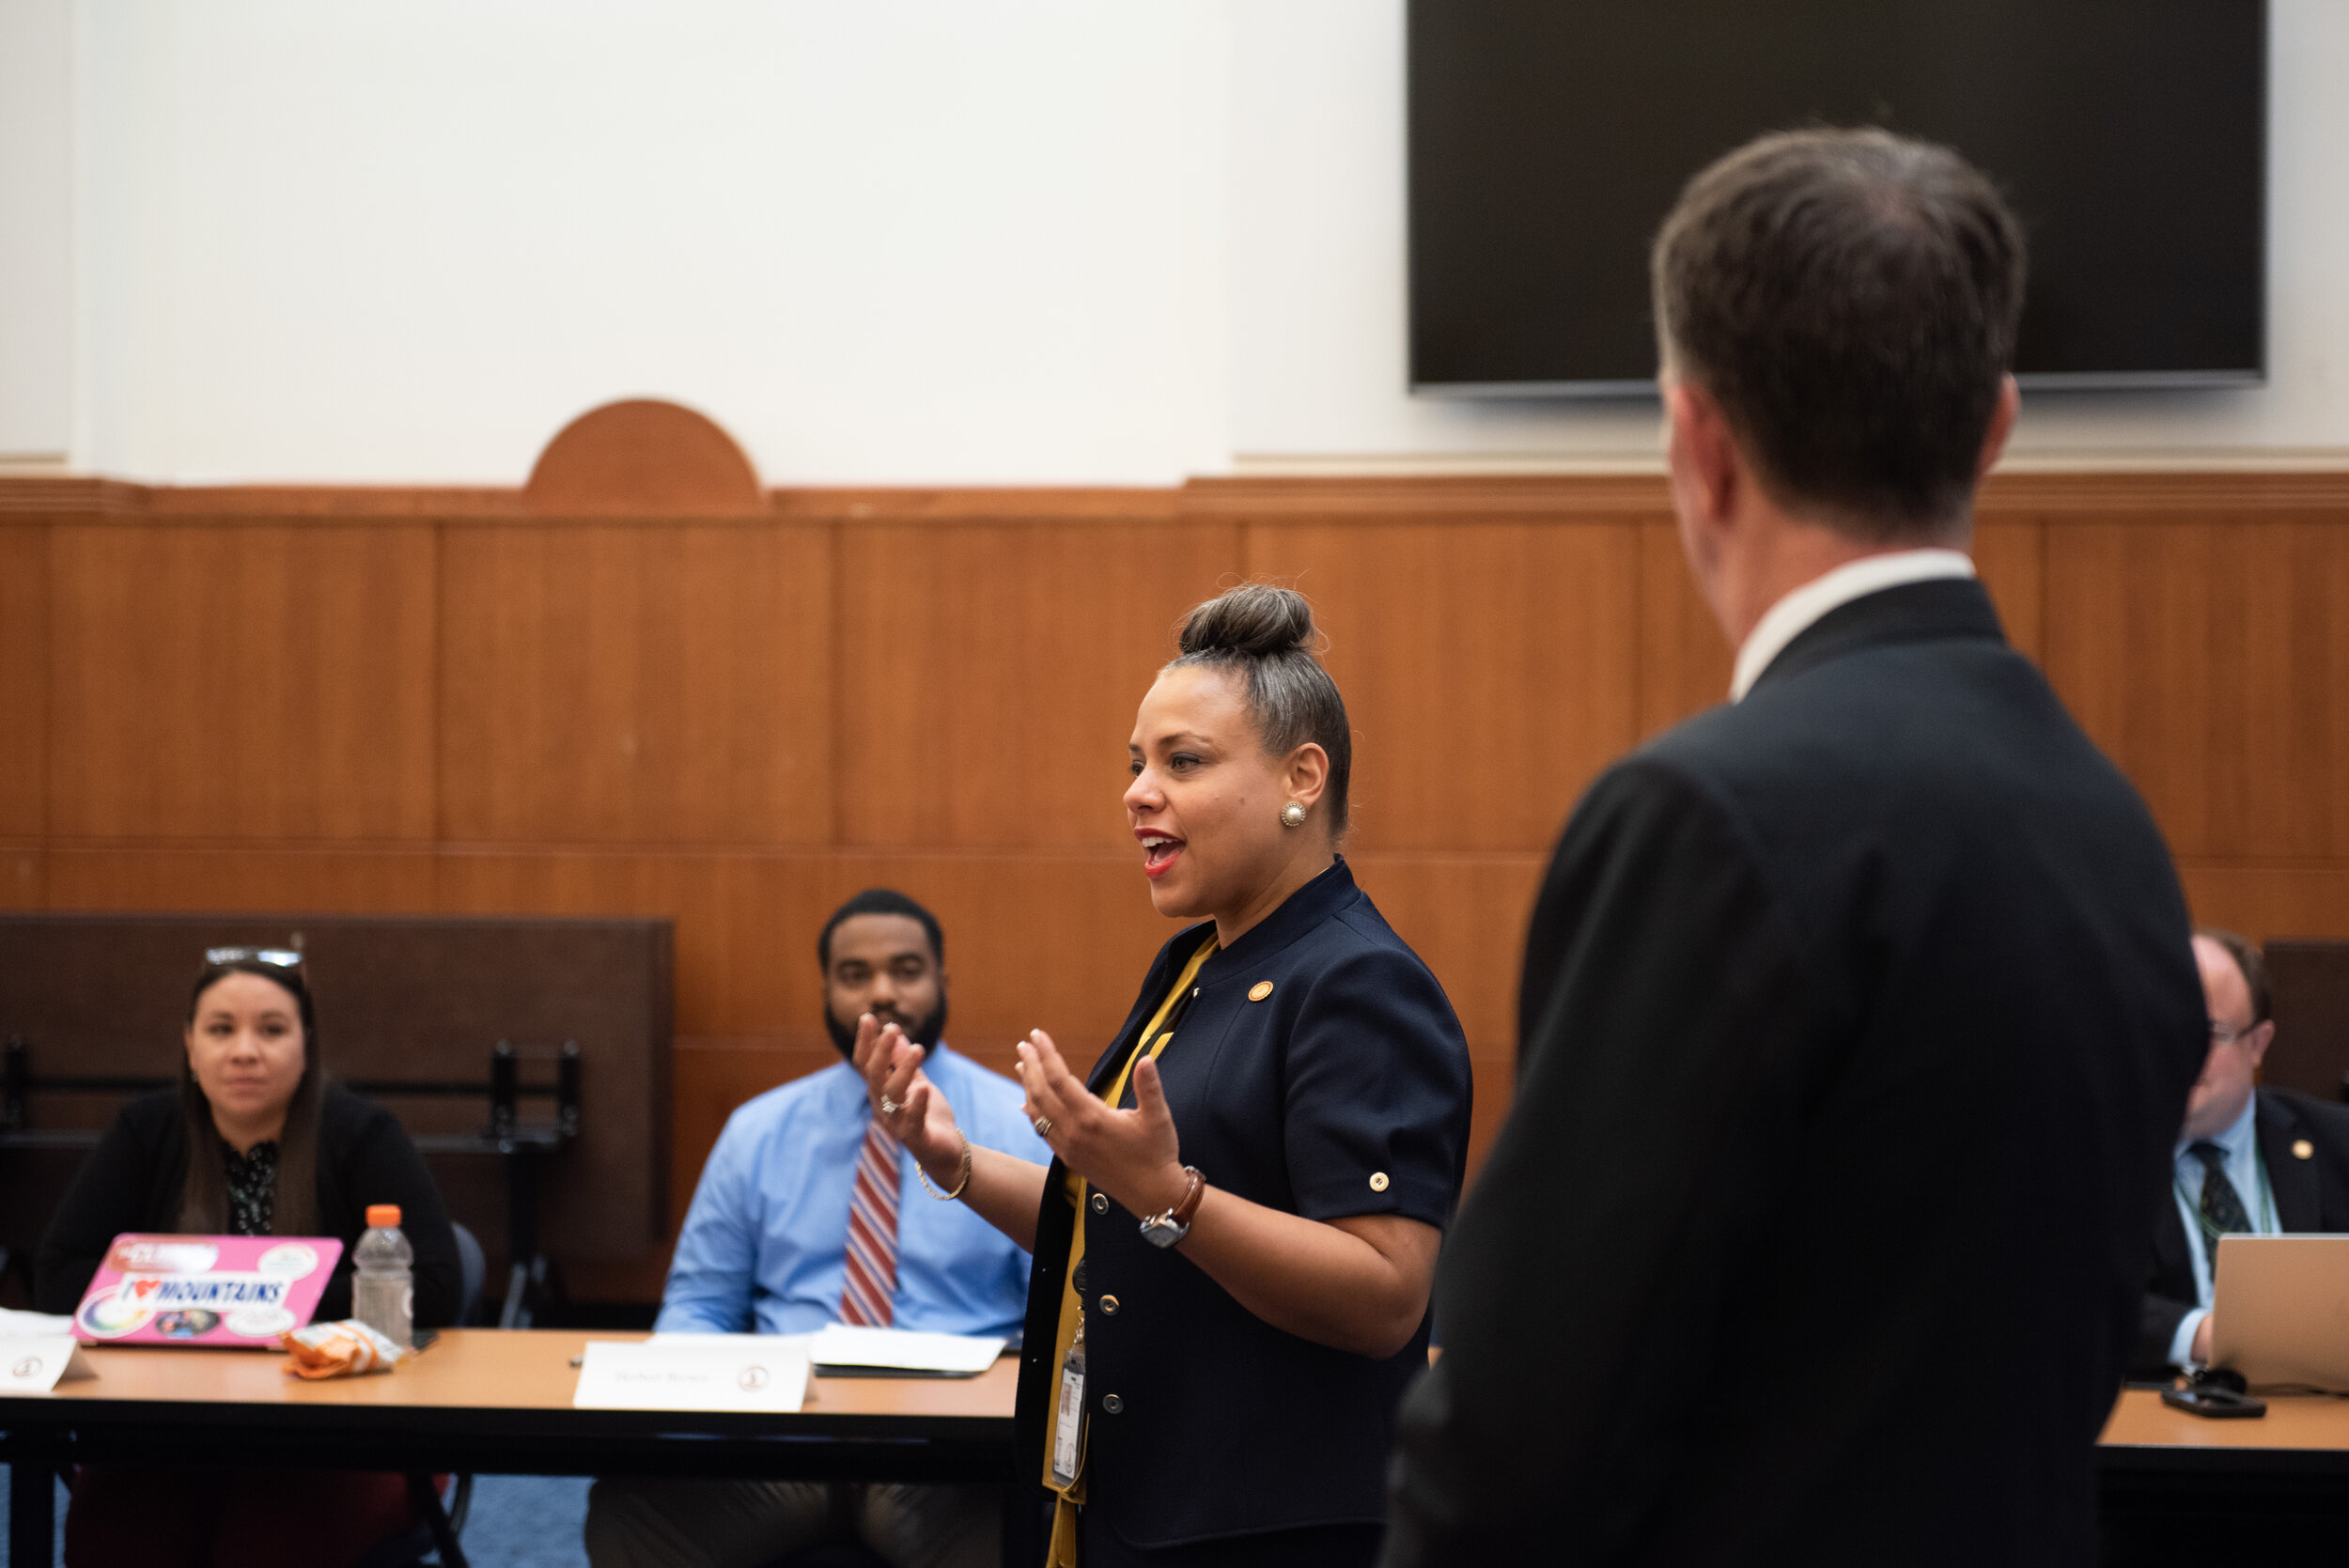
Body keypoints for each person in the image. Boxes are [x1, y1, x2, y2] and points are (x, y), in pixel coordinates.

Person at [1381, 129, 2206, 1566]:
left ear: (1697, 443)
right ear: (1997, 425)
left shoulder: (1706, 820)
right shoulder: (2112, 824)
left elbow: (1517, 1447)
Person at [855, 583, 1473, 1568]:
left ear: (1301, 777)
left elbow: (1386, 1294)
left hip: (1272, 1529)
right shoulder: (1197, 962)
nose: (1139, 790)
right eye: (1136, 763)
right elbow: (1114, 1217)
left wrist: (1171, 1196)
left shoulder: (1359, 982)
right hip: (1141, 1497)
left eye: (1183, 762)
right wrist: (953, 1159)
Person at [586, 888, 1049, 1568]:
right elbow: (701, 1305)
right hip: (784, 1444)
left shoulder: (1018, 1126)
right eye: (856, 975)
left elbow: (1054, 1309)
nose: (884, 990)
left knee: (1005, 1529)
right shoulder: (758, 1130)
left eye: (906, 969)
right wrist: (682, 1393)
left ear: (943, 983)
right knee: (632, 1515)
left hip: (943, 1454)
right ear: (826, 989)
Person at [35, 947, 462, 1568]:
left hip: (337, 1438)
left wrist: (252, 1304)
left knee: (260, 1547)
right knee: (119, 1540)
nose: (243, 1050)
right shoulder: (145, 1130)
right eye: (220, 1029)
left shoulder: (362, 1133)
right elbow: (58, 1273)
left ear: (306, 1044)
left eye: (271, 1029)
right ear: (189, 1044)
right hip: (161, 1431)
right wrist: (233, 1296)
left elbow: (438, 1284)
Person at [2135, 929, 2349, 1377]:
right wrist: (2203, 1334)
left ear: (2258, 1044)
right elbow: (2066, 1297)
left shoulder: (2335, 1141)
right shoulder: (2099, 1158)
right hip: (2157, 1427)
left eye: (2209, 1033)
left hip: (2318, 1422)